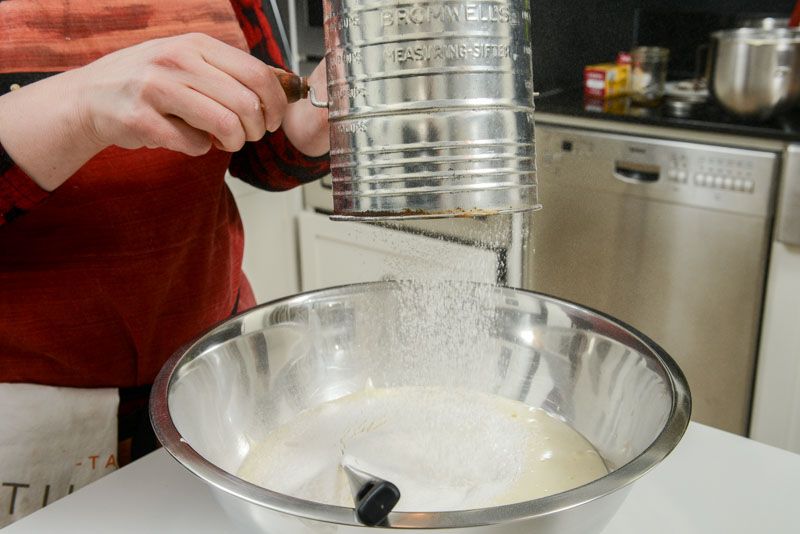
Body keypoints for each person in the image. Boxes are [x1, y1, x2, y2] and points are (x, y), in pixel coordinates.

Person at [0, 0, 330, 525]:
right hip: (29, 420)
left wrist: (310, 122)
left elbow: (257, 152)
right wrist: (80, 103)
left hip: (213, 375)